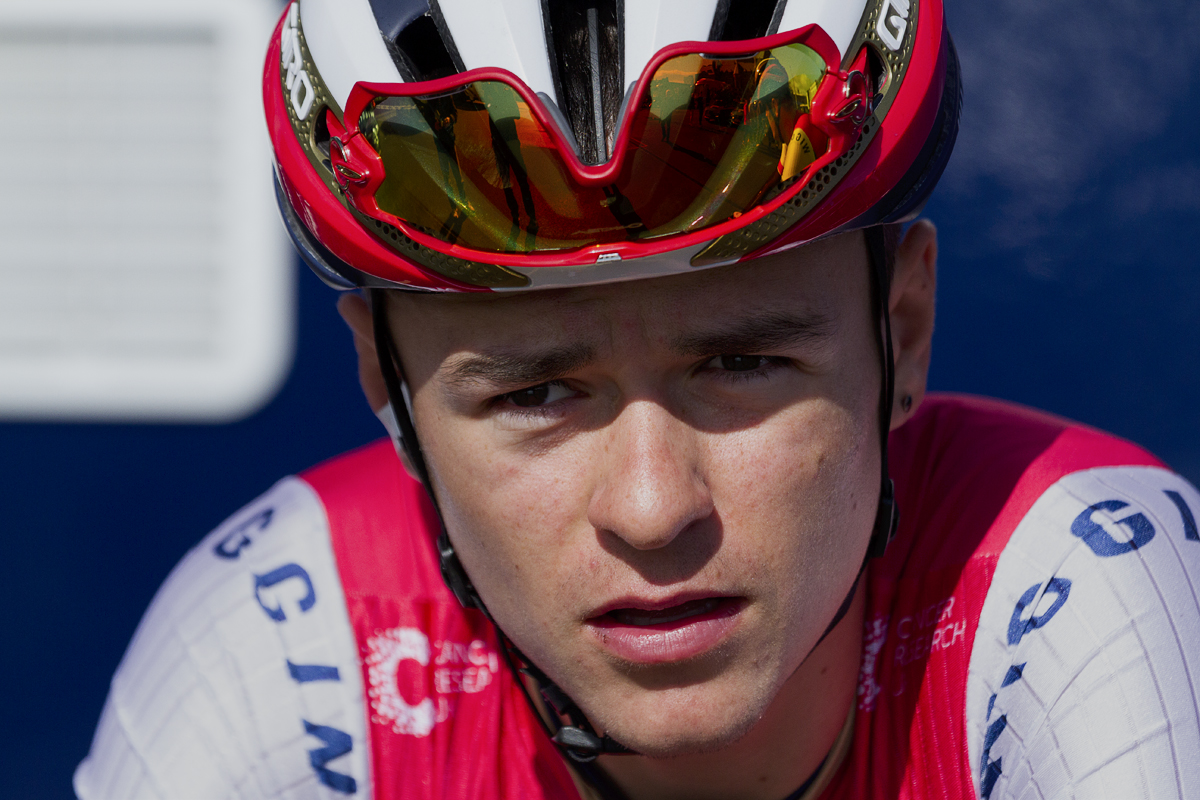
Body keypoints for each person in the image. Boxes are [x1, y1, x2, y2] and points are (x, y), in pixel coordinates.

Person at [76, 0, 1200, 798]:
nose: (656, 508)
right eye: (537, 392)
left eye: (742, 364)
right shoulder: (291, 640)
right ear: (388, 388)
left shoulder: (1080, 586)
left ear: (902, 333)